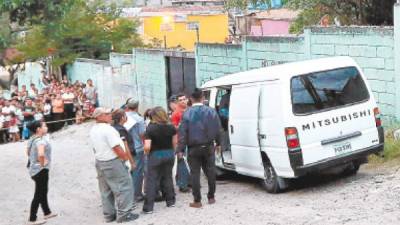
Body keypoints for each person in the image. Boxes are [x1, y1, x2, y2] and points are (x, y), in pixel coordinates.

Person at [89, 107, 139, 223]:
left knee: (105, 189)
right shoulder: (108, 130)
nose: (110, 115)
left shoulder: (93, 129)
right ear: (100, 116)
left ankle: (109, 214)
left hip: (100, 161)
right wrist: (126, 160)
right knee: (124, 186)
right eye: (107, 113)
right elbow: (116, 147)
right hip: (112, 161)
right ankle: (124, 214)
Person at [177, 89, 221, 208]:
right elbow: (218, 128)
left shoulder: (187, 113)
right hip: (209, 146)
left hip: (194, 148)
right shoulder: (211, 111)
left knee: (195, 173)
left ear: (191, 99)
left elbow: (182, 134)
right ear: (203, 98)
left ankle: (197, 200)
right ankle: (211, 197)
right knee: (211, 172)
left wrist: (180, 150)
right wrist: (219, 143)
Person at [142, 107, 176, 214]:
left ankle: (149, 207)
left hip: (155, 155)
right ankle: (170, 201)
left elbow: (147, 146)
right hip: (169, 153)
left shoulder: (150, 128)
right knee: (168, 177)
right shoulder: (171, 127)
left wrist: (146, 153)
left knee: (152, 180)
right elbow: (175, 143)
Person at [26, 121, 57, 225]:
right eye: (44, 126)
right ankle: (32, 219)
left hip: (34, 169)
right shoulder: (40, 141)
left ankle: (47, 212)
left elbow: (28, 152)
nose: (46, 127)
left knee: (43, 191)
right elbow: (41, 154)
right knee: (39, 194)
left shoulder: (32, 138)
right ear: (38, 129)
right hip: (40, 170)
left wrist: (35, 160)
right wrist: (43, 163)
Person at [124, 99, 146, 202]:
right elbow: (142, 134)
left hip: (124, 147)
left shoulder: (123, 116)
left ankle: (127, 193)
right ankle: (137, 194)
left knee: (127, 171)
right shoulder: (139, 119)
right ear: (137, 107)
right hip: (137, 147)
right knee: (137, 171)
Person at [170, 94, 191, 193]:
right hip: (181, 141)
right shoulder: (176, 113)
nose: (183, 101)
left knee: (189, 162)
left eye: (184, 99)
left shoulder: (189, 110)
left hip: (190, 140)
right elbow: (174, 129)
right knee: (182, 162)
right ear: (177, 102)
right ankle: (183, 184)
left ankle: (189, 181)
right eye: (180, 100)